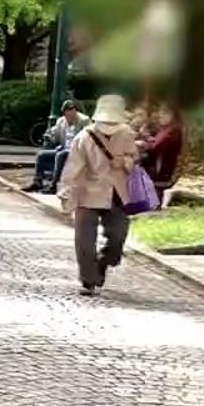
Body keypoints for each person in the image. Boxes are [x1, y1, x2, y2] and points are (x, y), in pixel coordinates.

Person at [59, 94, 140, 296]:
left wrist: (124, 162)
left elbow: (134, 158)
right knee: (84, 240)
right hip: (88, 191)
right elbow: (73, 167)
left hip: (117, 193)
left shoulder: (126, 134)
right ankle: (88, 280)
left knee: (118, 237)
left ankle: (103, 263)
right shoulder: (84, 137)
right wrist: (66, 190)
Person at [25, 100, 89, 193]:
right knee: (42, 155)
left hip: (77, 151)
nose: (69, 115)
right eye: (66, 112)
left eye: (71, 111)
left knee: (60, 155)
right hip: (65, 149)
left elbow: (88, 138)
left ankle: (54, 185)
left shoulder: (84, 121)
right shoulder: (61, 121)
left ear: (75, 111)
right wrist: (49, 136)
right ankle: (37, 182)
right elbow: (56, 137)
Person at [138, 104, 186, 193]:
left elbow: (155, 147)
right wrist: (146, 137)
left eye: (164, 113)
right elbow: (156, 142)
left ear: (172, 115)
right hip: (159, 171)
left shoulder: (173, 131)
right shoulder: (167, 129)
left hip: (160, 174)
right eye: (160, 113)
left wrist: (143, 143)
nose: (160, 115)